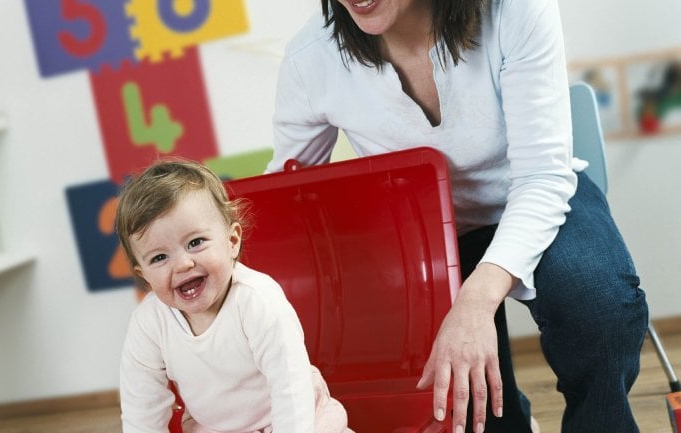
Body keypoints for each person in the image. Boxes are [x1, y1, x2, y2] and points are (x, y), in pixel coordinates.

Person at [267, 1, 649, 433]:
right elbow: (287, 196)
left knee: (597, 304)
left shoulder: (514, 10)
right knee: (467, 403)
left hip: (532, 197)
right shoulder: (311, 56)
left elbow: (542, 175)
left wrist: (475, 300)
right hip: (425, 232)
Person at [116, 159, 352, 433]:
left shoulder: (257, 300)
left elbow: (290, 385)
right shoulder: (148, 323)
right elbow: (141, 407)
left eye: (195, 242)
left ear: (232, 241)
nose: (182, 264)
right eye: (159, 257)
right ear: (143, 274)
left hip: (295, 419)